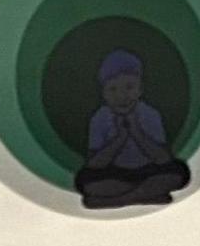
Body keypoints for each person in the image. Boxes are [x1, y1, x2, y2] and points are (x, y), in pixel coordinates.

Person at [74, 49, 190, 208]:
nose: (122, 96)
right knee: (85, 180)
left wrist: (137, 133)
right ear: (104, 94)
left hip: (149, 171)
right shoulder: (99, 118)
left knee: (179, 172)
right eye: (113, 89)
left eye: (129, 87)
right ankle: (146, 194)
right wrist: (119, 139)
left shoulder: (150, 114)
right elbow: (94, 164)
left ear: (140, 89)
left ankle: (119, 199)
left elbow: (163, 159)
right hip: (114, 175)